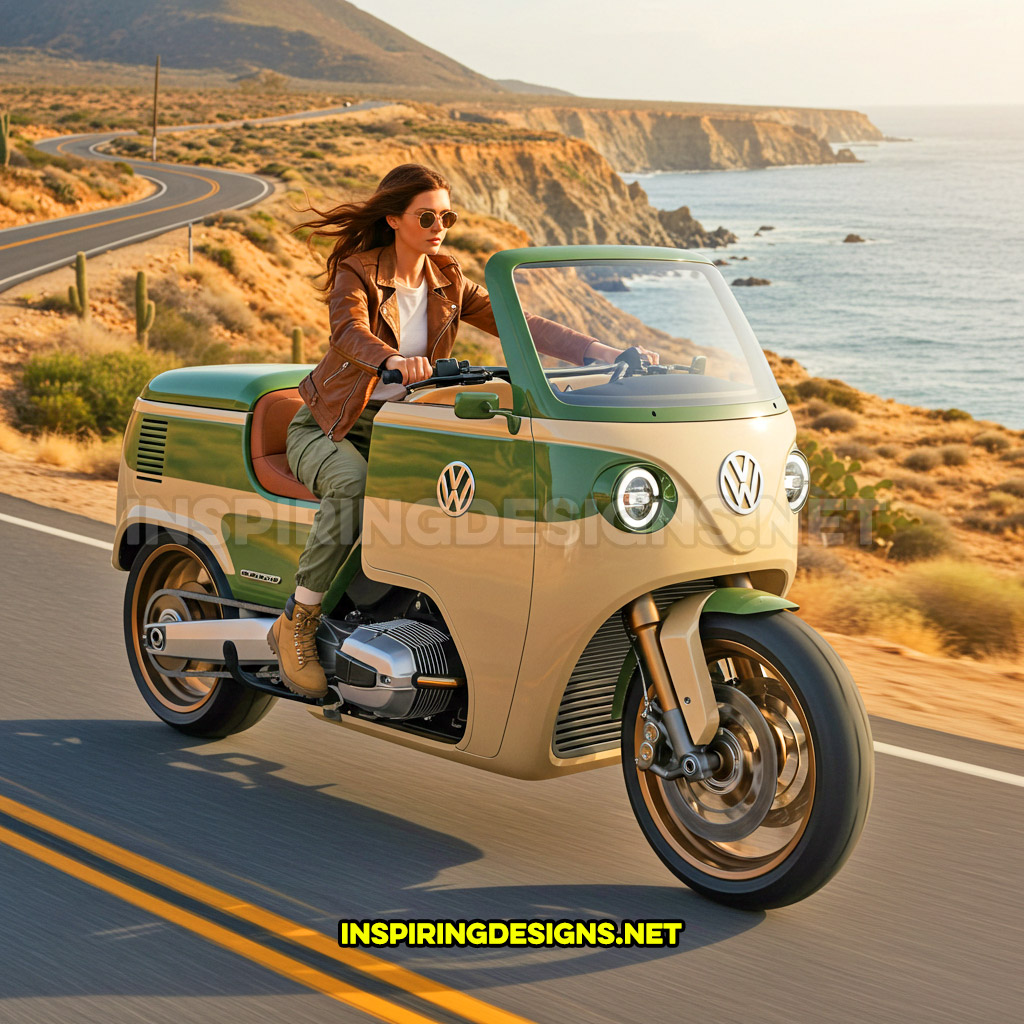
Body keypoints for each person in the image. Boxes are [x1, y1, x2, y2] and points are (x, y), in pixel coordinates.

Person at [268, 163, 655, 698]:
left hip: (404, 427)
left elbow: (518, 320)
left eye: (446, 215)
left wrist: (601, 351)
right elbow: (348, 331)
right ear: (394, 219)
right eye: (427, 215)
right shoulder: (357, 272)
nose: (439, 225)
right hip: (333, 428)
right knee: (352, 487)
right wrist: (392, 361)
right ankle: (298, 620)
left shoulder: (446, 278)